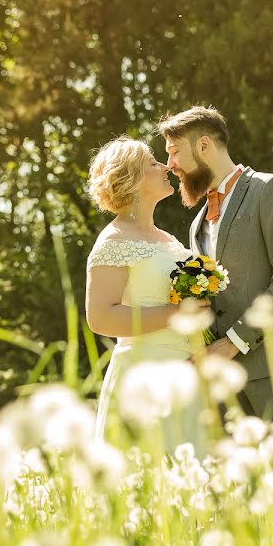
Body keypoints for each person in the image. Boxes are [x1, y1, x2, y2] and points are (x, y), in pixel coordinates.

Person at [158, 106, 273, 438]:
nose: (170, 165)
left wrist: (231, 344)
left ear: (203, 146)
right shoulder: (197, 223)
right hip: (221, 384)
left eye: (173, 151)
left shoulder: (270, 189)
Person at [85, 135, 206, 449]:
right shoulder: (114, 240)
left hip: (187, 375)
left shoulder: (167, 239)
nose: (165, 166)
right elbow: (101, 318)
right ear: (132, 179)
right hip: (142, 378)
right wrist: (177, 314)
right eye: (153, 164)